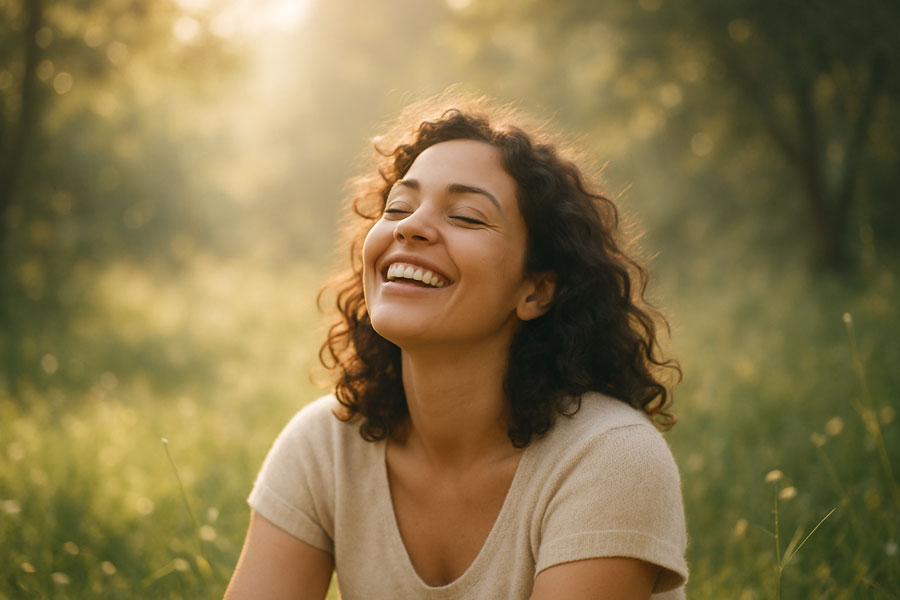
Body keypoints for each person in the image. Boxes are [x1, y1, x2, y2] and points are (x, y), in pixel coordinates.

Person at [225, 95, 688, 599]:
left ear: (535, 290)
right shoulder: (325, 445)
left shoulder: (609, 458)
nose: (409, 226)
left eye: (466, 217)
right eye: (398, 207)